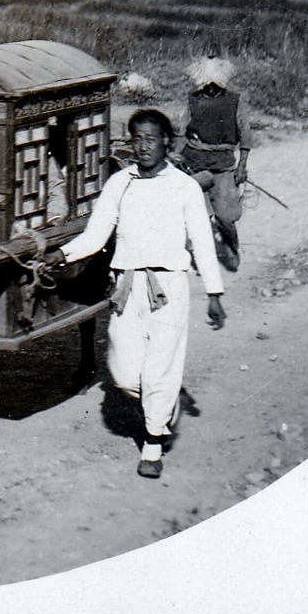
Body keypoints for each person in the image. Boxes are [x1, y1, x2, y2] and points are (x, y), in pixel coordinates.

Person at [47, 109, 226, 479]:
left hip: (170, 287)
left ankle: (153, 442)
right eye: (136, 139)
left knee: (160, 366)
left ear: (166, 142)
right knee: (126, 373)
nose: (142, 147)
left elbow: (202, 244)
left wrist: (214, 292)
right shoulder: (120, 183)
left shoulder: (184, 187)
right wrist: (61, 255)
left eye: (150, 139)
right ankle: (162, 405)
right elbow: (96, 236)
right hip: (127, 287)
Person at [179, 55, 251, 272]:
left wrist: (242, 165)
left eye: (214, 85)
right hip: (196, 163)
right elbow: (182, 130)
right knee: (199, 217)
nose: (210, 89)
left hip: (224, 165)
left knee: (225, 216)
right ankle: (202, 259)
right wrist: (175, 154)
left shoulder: (235, 101)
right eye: (206, 85)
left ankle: (232, 247)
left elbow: (245, 133)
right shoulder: (192, 99)